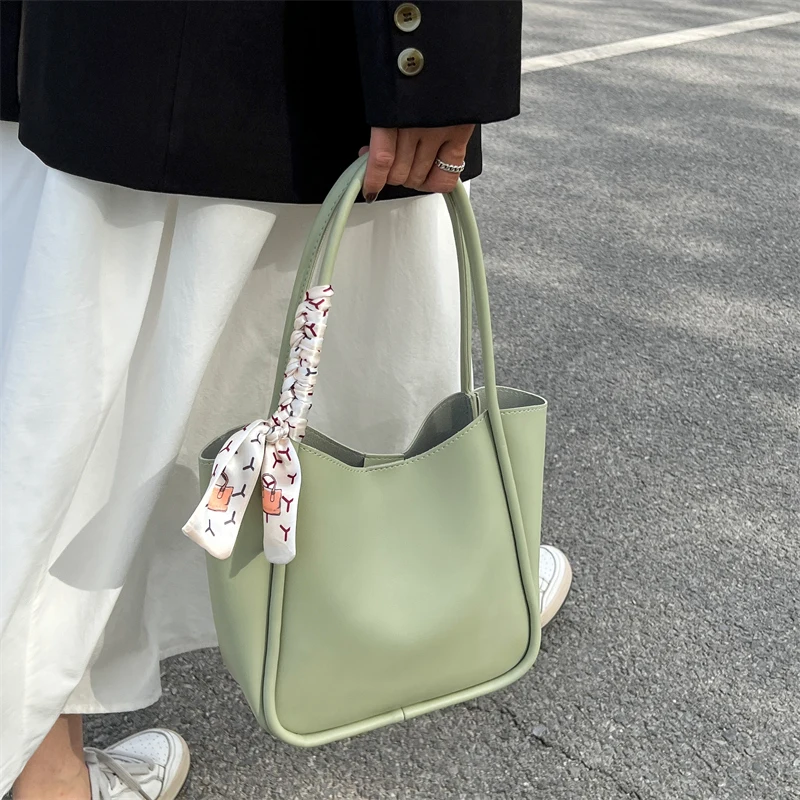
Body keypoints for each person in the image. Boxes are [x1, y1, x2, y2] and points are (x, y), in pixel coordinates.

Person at [0, 2, 572, 797]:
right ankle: (454, 577)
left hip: (79, 43)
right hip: (288, 44)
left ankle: (44, 771)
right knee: (375, 328)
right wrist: (429, 55)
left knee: (74, 394)